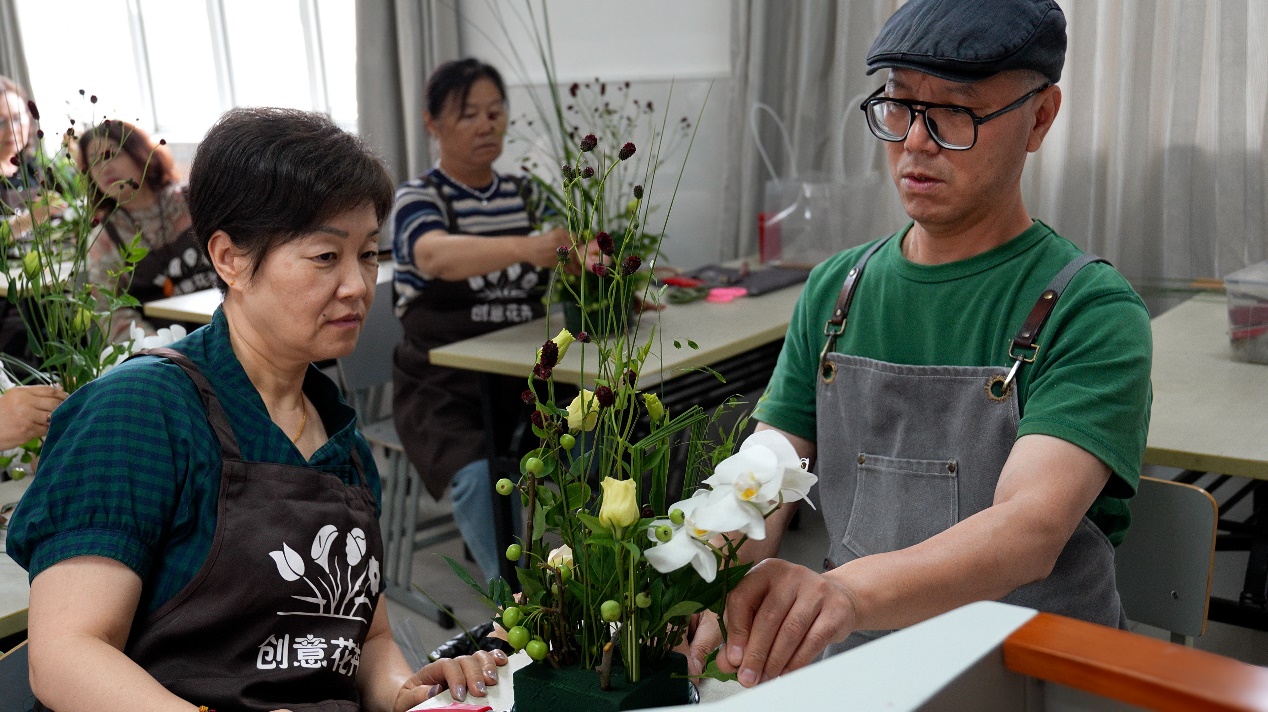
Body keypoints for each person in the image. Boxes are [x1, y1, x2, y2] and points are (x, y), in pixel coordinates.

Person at [687, 0, 1153, 686]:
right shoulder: (837, 291)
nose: (915, 141)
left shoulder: (1090, 310)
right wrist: (694, 573)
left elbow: (1028, 530)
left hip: (1037, 680)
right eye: (900, 106)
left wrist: (843, 595)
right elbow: (766, 468)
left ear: (1040, 117)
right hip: (868, 670)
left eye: (955, 113)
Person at [7, 107, 508, 711]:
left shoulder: (341, 443)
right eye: (325, 257)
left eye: (369, 254)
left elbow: (365, 642)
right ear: (230, 259)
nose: (357, 285)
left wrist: (409, 695)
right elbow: (66, 655)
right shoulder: (138, 411)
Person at [389, 58, 574, 584]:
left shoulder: (527, 194)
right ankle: (518, 601)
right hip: (446, 386)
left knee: (602, 436)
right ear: (432, 122)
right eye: (468, 114)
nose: (486, 125)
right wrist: (528, 248)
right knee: (478, 475)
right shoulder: (420, 197)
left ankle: (601, 572)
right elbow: (433, 256)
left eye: (495, 112)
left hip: (530, 376)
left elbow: (570, 253)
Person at [79, 119, 218, 341]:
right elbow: (109, 311)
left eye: (111, 154)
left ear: (140, 153)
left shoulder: (194, 201)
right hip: (170, 346)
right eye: (94, 162)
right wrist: (158, 348)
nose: (105, 168)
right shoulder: (104, 239)